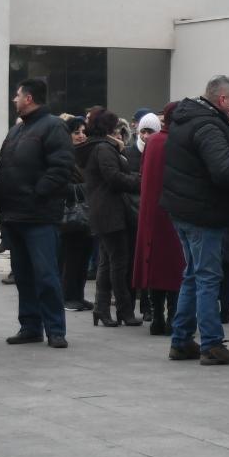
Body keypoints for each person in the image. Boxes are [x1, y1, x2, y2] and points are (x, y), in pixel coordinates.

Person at [163, 76, 229, 365]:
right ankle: (212, 344)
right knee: (207, 277)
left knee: (192, 274)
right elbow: (223, 171)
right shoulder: (209, 126)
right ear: (223, 100)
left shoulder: (186, 118)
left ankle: (181, 340)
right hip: (204, 212)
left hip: (183, 210)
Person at [0, 78, 76, 348]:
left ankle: (55, 329)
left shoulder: (53, 126)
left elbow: (61, 168)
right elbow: (5, 165)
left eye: (17, 95)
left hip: (39, 216)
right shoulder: (17, 130)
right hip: (14, 216)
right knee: (23, 275)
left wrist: (37, 193)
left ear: (28, 98)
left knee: (46, 274)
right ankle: (30, 326)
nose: (14, 100)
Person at [81, 108, 144, 327]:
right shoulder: (104, 148)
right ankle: (124, 311)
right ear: (109, 127)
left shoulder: (97, 146)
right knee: (119, 262)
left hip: (104, 209)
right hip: (110, 211)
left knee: (107, 262)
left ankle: (101, 308)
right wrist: (138, 180)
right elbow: (114, 178)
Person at [132, 104, 183, 336]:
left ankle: (157, 318)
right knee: (174, 265)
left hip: (151, 212)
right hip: (174, 211)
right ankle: (173, 316)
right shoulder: (179, 143)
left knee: (153, 264)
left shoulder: (152, 142)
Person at [58, 117, 94, 312]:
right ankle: (67, 296)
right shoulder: (65, 157)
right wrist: (89, 188)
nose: (81, 136)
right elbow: (63, 186)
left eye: (83, 132)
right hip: (71, 215)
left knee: (83, 257)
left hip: (88, 215)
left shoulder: (86, 155)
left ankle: (78, 295)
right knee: (71, 258)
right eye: (77, 132)